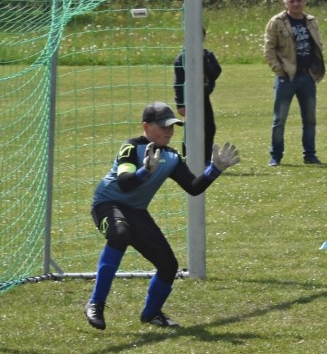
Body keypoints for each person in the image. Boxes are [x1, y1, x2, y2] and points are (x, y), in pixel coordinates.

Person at [84, 102, 240, 330]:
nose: (169, 131)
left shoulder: (171, 157)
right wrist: (144, 171)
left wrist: (214, 169)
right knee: (120, 234)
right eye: (163, 126)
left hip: (136, 211)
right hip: (107, 204)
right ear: (146, 126)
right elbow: (124, 183)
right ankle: (95, 303)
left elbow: (193, 187)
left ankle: (152, 313)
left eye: (172, 126)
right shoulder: (131, 148)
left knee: (168, 264)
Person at [263, 0, 326, 167]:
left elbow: (318, 45)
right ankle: (275, 156)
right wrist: (280, 71)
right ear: (285, 3)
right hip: (286, 78)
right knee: (279, 120)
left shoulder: (311, 21)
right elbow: (269, 49)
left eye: (299, 0)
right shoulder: (276, 22)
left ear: (304, 2)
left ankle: (310, 155)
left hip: (307, 77)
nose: (296, 4)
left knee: (310, 120)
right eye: (292, 1)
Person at [173, 27, 223, 160]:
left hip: (203, 98)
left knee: (209, 128)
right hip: (189, 100)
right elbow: (178, 83)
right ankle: (187, 158)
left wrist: (204, 61)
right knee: (190, 131)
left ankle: (206, 159)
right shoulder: (182, 57)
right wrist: (180, 104)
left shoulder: (207, 55)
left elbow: (216, 72)